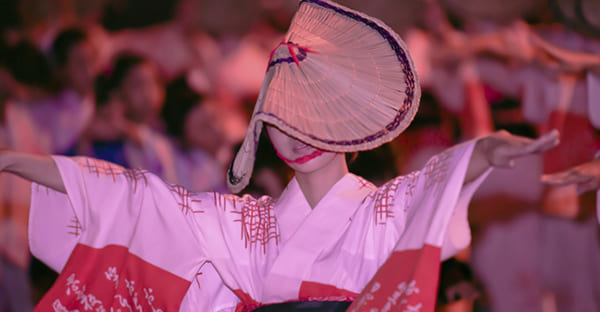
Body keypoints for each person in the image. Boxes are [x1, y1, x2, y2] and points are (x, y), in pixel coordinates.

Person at [3, 1, 558, 311]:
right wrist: (12, 161)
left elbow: (439, 180)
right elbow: (136, 199)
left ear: (342, 128)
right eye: (281, 124)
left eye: (312, 122)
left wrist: (487, 151)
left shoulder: (383, 209)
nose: (296, 138)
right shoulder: (246, 221)